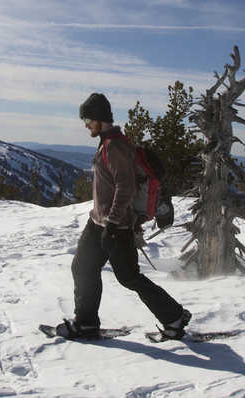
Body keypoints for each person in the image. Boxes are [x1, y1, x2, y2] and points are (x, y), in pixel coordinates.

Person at [54, 93, 191, 339]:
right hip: (98, 223)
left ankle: (175, 316)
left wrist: (115, 224)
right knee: (83, 268)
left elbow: (125, 187)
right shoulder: (108, 142)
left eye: (87, 119)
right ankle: (85, 323)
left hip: (116, 226)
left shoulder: (116, 146)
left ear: (99, 118)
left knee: (129, 277)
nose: (85, 124)